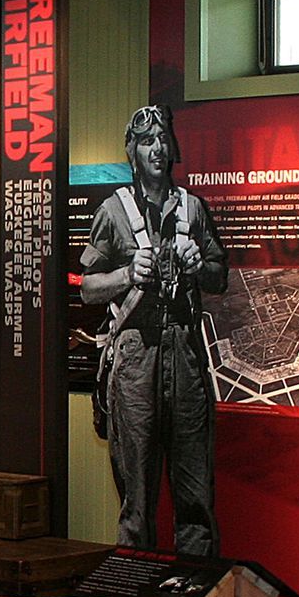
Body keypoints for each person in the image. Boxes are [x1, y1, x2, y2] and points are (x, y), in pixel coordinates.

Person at [80, 106, 229, 556]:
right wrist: (128, 274)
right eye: (147, 142)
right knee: (137, 500)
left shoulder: (193, 209)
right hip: (135, 361)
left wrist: (199, 265)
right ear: (133, 151)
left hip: (184, 356)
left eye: (162, 139)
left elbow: (219, 274)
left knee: (195, 495)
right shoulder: (114, 212)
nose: (158, 149)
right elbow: (87, 287)